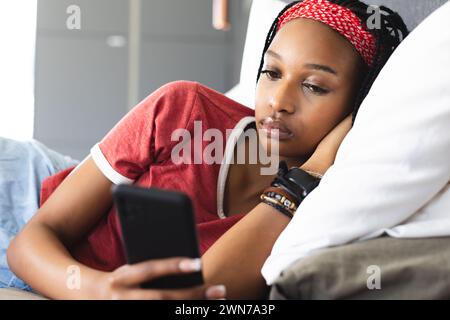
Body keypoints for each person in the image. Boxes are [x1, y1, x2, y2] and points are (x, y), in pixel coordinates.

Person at [5, 0, 408, 299]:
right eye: (271, 72)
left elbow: (200, 297)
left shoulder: (333, 204)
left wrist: (305, 179)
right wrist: (102, 291)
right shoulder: (185, 109)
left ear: (359, 106)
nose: (277, 101)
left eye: (314, 86)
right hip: (25, 192)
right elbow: (32, 240)